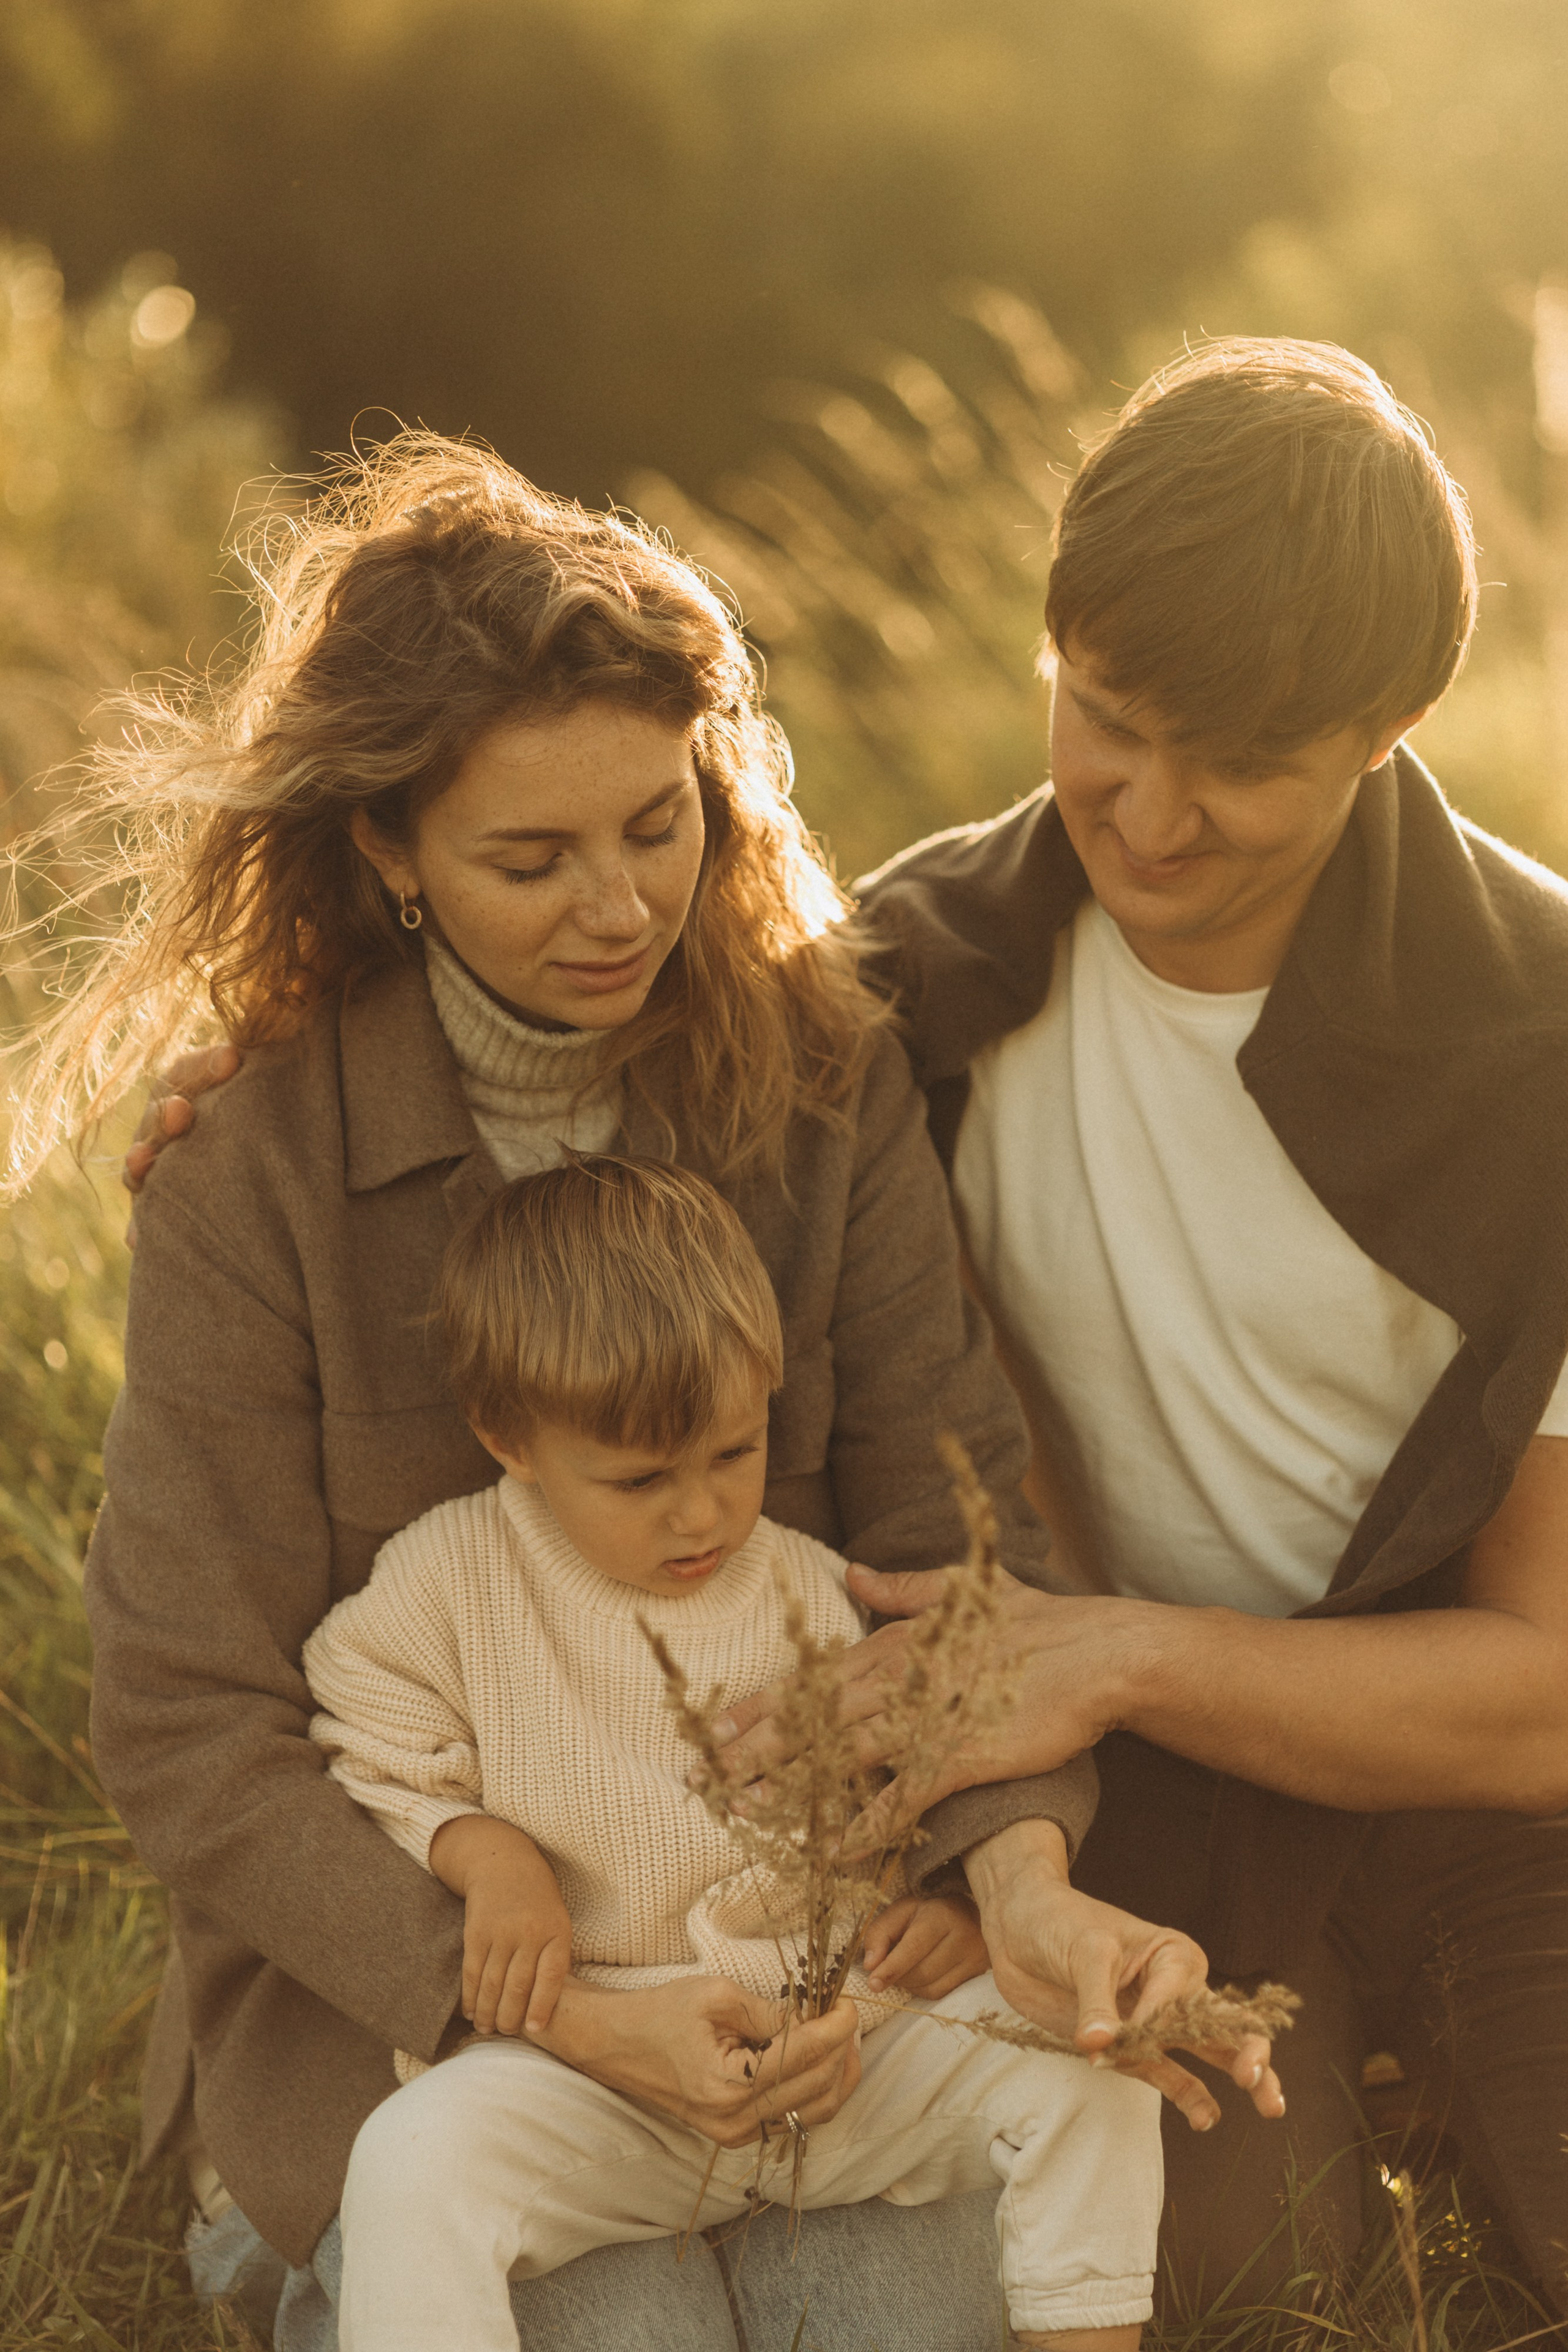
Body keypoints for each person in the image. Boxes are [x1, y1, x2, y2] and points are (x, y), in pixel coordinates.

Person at [18, 437, 1279, 2352]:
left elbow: (952, 1536)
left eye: (658, 824)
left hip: (809, 1998)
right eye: (530, 859)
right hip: (419, 2035)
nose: (620, 908)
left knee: (909, 2322)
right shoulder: (255, 1166)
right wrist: (531, 1998)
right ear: (389, 850)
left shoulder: (819, 1079)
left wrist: (1009, 1878)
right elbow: (191, 1721)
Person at [714, 337, 1568, 2314]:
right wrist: (254, 1100)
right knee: (1237, 2280)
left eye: (1243, 766)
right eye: (1106, 718)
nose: (1153, 814)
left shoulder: (1538, 1054)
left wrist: (1108, 1653)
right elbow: (563, 1104)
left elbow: (1544, 1704)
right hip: (1133, 1808)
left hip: (1473, 1788)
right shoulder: (908, 984)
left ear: (1388, 731)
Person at [303, 1152, 1164, 2352]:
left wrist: (949, 1905)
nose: (701, 1514)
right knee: (409, 2159)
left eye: (731, 1452)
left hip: (844, 2063)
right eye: (640, 1478)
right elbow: (362, 1737)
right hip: (601, 2074)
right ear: (509, 1437)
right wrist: (482, 1851)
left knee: (1093, 2072)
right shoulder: (450, 1583)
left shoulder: (815, 1588)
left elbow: (926, 1773)